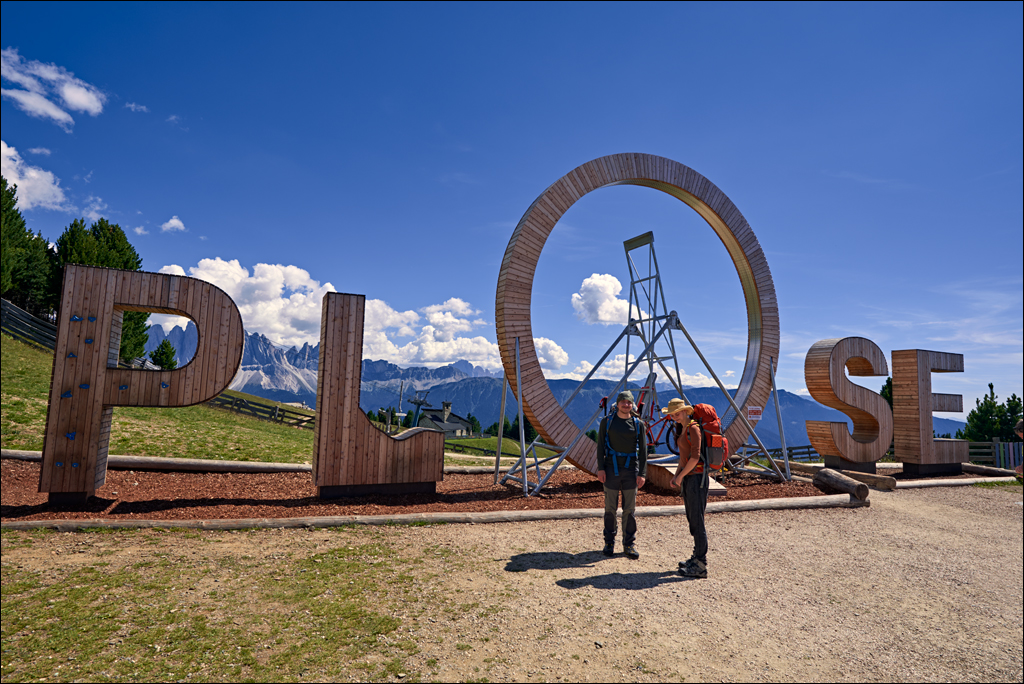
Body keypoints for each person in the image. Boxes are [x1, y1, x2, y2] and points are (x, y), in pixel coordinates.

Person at [596, 390, 647, 559]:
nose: (626, 405)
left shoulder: (638, 424)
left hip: (631, 471)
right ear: (617, 404)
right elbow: (600, 447)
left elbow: (643, 452)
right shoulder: (607, 422)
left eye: (629, 402)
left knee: (629, 510)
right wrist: (601, 468)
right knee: (610, 509)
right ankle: (609, 542)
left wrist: (642, 473)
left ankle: (629, 544)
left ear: (632, 405)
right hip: (611, 469)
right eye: (623, 402)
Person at [664, 397, 708, 579]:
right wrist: (676, 475)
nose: (675, 416)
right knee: (692, 518)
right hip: (689, 479)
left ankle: (701, 564)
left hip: (697, 479)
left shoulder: (694, 429)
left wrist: (681, 476)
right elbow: (683, 458)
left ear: (685, 412)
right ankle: (696, 558)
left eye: (677, 413)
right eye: (672, 414)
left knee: (697, 520)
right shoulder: (682, 429)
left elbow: (695, 458)